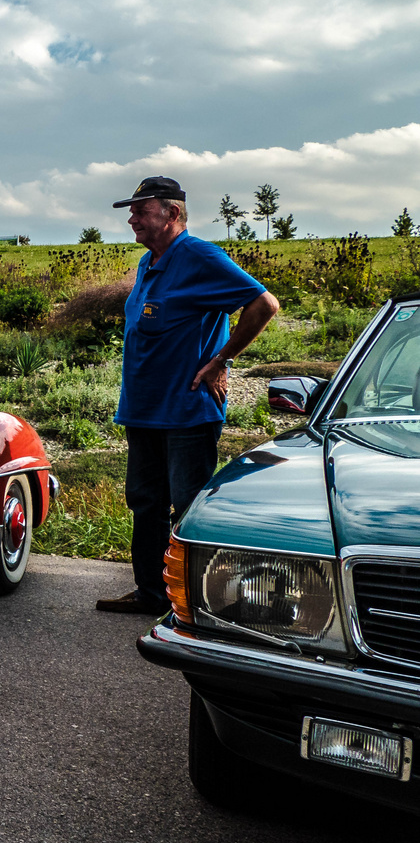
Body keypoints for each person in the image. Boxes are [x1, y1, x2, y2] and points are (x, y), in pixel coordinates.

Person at [95, 176, 280, 615]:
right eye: (132, 210)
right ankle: (152, 593)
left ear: (172, 213)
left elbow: (264, 304)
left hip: (186, 412)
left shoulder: (199, 256)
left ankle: (197, 605)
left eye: (142, 209)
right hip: (143, 410)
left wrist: (221, 359)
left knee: (190, 508)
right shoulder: (148, 262)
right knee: (146, 503)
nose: (132, 217)